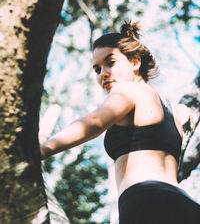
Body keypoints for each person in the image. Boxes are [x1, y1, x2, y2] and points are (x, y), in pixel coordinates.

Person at [40, 21, 200, 224]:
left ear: (134, 62)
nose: (102, 73)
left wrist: (41, 150)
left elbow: (95, 121)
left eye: (111, 62)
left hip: (149, 204)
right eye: (97, 69)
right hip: (181, 204)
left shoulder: (128, 90)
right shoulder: (173, 111)